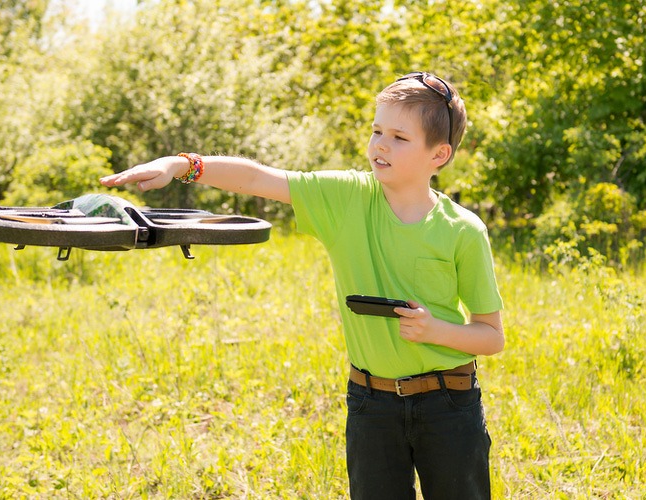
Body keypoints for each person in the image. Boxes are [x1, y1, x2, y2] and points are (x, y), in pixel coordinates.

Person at [99, 71, 505, 500]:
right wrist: (181, 165)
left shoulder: (464, 230)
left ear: (438, 155)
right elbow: (258, 178)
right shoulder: (347, 198)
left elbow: (491, 336)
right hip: (371, 403)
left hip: (450, 402)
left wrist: (435, 330)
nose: (380, 145)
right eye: (376, 130)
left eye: (400, 137)